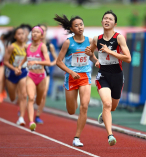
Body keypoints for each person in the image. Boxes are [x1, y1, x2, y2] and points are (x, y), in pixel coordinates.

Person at [85, 10, 131, 146]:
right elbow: (90, 53)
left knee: (113, 107)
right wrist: (95, 60)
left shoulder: (119, 38)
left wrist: (110, 51)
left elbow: (128, 58)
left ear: (114, 23)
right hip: (103, 75)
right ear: (101, 22)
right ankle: (110, 135)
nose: (107, 20)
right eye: (105, 18)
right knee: (107, 104)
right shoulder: (97, 39)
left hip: (117, 75)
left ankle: (103, 115)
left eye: (110, 19)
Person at [54, 14, 98, 147]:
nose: (80, 27)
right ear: (72, 29)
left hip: (85, 76)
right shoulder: (68, 42)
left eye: (81, 24)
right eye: (76, 25)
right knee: (72, 111)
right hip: (71, 78)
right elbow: (58, 61)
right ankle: (73, 104)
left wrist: (95, 59)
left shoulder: (90, 41)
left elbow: (92, 57)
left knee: (84, 106)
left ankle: (77, 137)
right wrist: (71, 72)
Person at [18, 25, 51, 131]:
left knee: (38, 100)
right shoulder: (27, 46)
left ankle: (37, 104)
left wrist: (36, 61)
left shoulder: (42, 46)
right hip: (30, 75)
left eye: (37, 32)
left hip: (41, 76)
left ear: (41, 35)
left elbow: (48, 62)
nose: (34, 34)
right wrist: (19, 66)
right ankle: (31, 122)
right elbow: (25, 58)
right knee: (31, 98)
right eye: (33, 32)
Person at [4, 27, 28, 126]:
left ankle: (21, 118)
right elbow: (5, 61)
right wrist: (15, 69)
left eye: (23, 33)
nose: (21, 35)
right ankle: (14, 96)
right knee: (13, 98)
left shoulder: (27, 47)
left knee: (24, 95)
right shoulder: (12, 47)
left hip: (23, 71)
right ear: (15, 36)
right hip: (11, 72)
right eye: (19, 34)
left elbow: (28, 59)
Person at [34, 24, 58, 124]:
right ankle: (22, 110)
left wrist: (50, 63)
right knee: (31, 95)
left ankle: (38, 115)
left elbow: (57, 60)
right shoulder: (32, 45)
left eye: (44, 31)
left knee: (43, 94)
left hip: (45, 72)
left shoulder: (49, 46)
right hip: (32, 72)